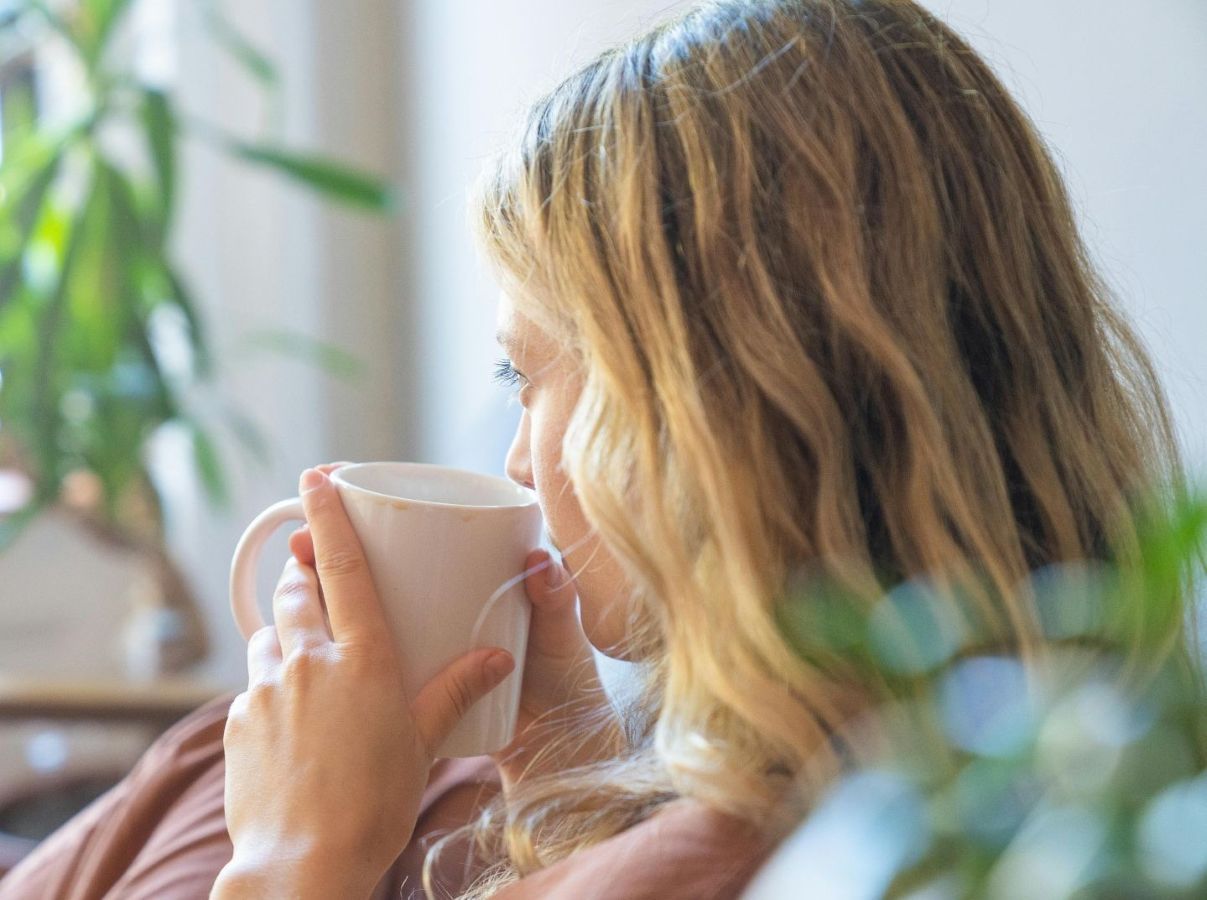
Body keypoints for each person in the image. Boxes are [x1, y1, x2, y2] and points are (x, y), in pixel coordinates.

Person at [1, 0, 1194, 897]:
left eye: (531, 374)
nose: (520, 464)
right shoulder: (1015, 767)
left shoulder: (711, 861)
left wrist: (287, 857)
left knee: (219, 757)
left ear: (710, 406)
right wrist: (566, 774)